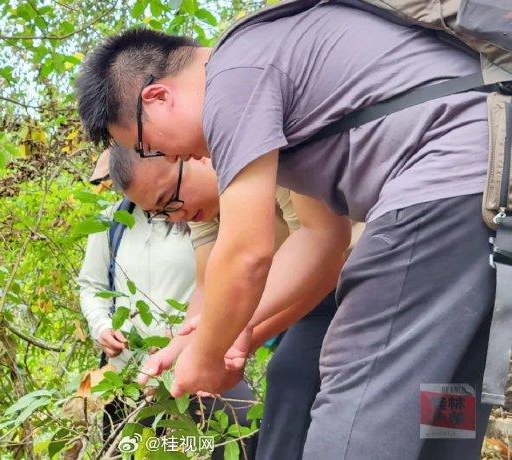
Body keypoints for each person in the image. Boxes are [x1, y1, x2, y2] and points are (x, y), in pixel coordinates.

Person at [75, 5, 496, 459]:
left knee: (354, 384)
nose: (171, 154)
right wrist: (234, 330)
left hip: (443, 176)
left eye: (151, 146)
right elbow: (321, 238)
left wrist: (203, 358)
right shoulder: (277, 86)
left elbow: (246, 253)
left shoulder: (231, 75)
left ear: (158, 98)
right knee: (444, 394)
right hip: (481, 176)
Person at [108, 144, 346, 459]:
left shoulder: (264, 158)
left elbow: (327, 260)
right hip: (312, 297)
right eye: (162, 212)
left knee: (290, 377)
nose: (175, 214)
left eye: (169, 198)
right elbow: (209, 287)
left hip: (362, 274)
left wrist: (228, 342)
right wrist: (179, 349)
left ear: (190, 154)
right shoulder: (199, 206)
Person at [77, 152, 258, 458]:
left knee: (235, 438)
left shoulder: (196, 214)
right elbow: (91, 285)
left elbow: (218, 285)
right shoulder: (111, 224)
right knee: (133, 450)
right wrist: (102, 326)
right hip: (131, 376)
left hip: (195, 362)